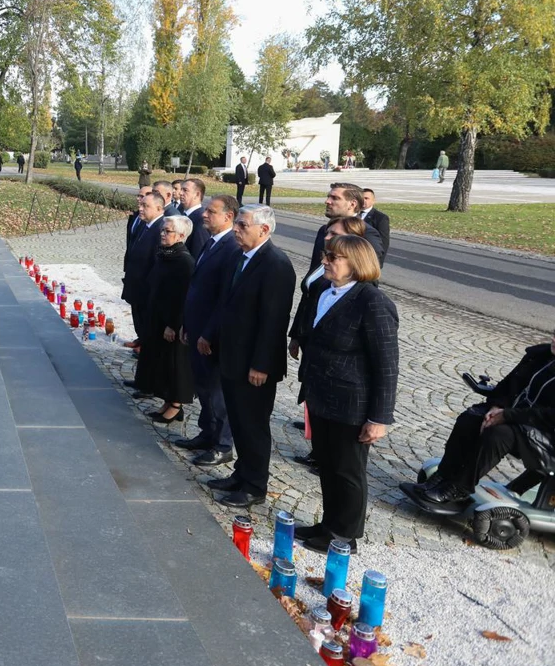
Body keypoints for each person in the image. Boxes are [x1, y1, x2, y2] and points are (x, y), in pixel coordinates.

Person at [290, 235, 398, 552]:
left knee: (347, 471)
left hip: (352, 405)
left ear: (356, 264)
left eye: (333, 257)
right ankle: (329, 524)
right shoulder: (325, 290)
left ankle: (344, 536)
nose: (324, 261)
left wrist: (379, 418)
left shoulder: (373, 302)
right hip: (321, 398)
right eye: (326, 255)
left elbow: (386, 366)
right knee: (327, 464)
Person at [199, 204, 296, 508]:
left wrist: (261, 364)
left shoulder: (276, 264)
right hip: (232, 357)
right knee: (239, 422)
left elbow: (274, 321)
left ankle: (255, 486)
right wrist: (210, 334)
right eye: (237, 224)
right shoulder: (238, 257)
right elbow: (225, 303)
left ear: (263, 230)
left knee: (253, 426)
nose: (236, 230)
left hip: (255, 365)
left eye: (243, 225)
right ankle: (241, 474)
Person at [405, 328, 555, 512]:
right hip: (513, 416)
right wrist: (496, 407)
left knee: (498, 434)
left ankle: (460, 488)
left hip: (544, 434)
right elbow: (508, 385)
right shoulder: (539, 355)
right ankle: (444, 475)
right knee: (470, 418)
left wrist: (506, 415)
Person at [178, 195, 241, 465]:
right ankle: (207, 433)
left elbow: (223, 298)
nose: (204, 215)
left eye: (211, 212)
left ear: (228, 216)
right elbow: (197, 286)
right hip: (196, 326)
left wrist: (208, 333)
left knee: (217, 392)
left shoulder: (231, 247)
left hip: (211, 334)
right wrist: (187, 323)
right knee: (203, 387)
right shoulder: (212, 241)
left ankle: (223, 444)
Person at [139, 215, 195, 424]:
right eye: (162, 230)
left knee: (174, 364)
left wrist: (173, 324)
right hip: (158, 318)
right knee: (161, 363)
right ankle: (167, 401)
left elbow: (183, 297)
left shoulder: (184, 261)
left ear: (181, 235)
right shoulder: (165, 254)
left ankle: (176, 405)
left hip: (172, 323)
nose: (163, 234)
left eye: (168, 231)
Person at [122, 191, 166, 390]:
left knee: (150, 341)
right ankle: (143, 379)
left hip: (147, 295)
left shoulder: (160, 229)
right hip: (137, 292)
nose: (140, 208)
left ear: (159, 208)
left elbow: (156, 266)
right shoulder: (145, 225)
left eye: (145, 206)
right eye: (140, 204)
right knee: (143, 337)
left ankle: (149, 383)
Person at [308, 184, 384, 273]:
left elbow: (368, 271)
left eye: (335, 198)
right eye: (328, 197)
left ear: (352, 204)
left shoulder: (366, 234)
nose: (327, 201)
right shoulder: (324, 230)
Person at [179, 178, 210, 259]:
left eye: (185, 190)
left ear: (197, 194)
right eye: (181, 189)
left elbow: (198, 253)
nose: (180, 193)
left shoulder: (201, 220)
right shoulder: (182, 214)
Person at [359, 189, 391, 264]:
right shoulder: (352, 214)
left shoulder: (380, 218)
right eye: (361, 198)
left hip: (369, 258)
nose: (363, 200)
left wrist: (379, 262)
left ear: (373, 201)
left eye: (366, 198)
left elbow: (384, 242)